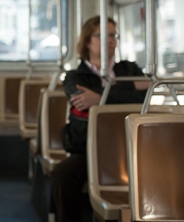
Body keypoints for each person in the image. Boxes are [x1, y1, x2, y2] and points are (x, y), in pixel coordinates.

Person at [50, 16, 151, 222]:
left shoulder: (128, 69)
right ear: (87, 41)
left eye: (113, 35)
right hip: (89, 150)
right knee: (63, 175)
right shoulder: (74, 77)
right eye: (103, 35)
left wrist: (99, 97)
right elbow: (79, 100)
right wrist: (129, 87)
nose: (110, 40)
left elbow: (147, 90)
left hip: (128, 149)